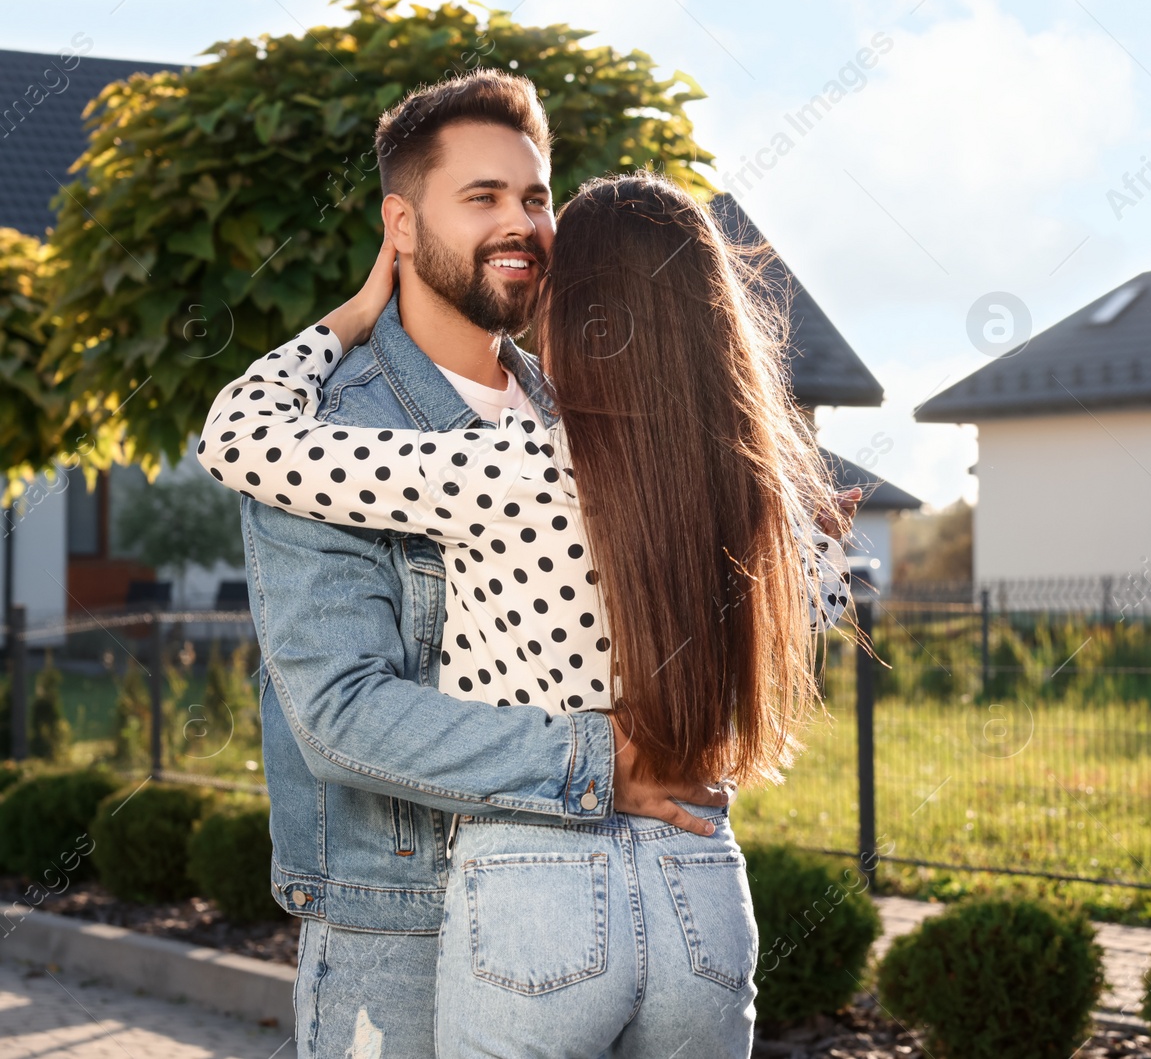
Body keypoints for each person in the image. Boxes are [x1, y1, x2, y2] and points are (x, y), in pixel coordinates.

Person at [225, 69, 859, 1058]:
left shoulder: (541, 440)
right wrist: (604, 759)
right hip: (647, 898)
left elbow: (242, 435)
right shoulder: (700, 456)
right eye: (481, 197)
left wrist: (344, 314)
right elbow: (340, 715)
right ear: (400, 224)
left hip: (540, 900)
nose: (521, 224)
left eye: (534, 197)